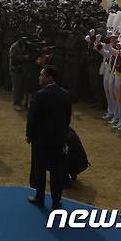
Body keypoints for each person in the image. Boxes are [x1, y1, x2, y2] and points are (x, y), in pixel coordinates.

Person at [26, 65, 72, 209]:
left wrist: (29, 134)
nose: (39, 77)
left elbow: (32, 118)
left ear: (49, 77)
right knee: (56, 172)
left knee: (39, 169)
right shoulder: (65, 94)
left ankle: (40, 197)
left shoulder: (39, 95)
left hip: (41, 140)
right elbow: (67, 118)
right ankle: (56, 201)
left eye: (41, 75)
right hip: (58, 139)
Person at [9, 37, 28, 111]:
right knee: (16, 87)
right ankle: (16, 103)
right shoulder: (14, 46)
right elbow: (13, 57)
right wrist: (24, 57)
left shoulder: (24, 45)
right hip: (15, 69)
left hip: (22, 69)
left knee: (22, 87)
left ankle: (20, 101)